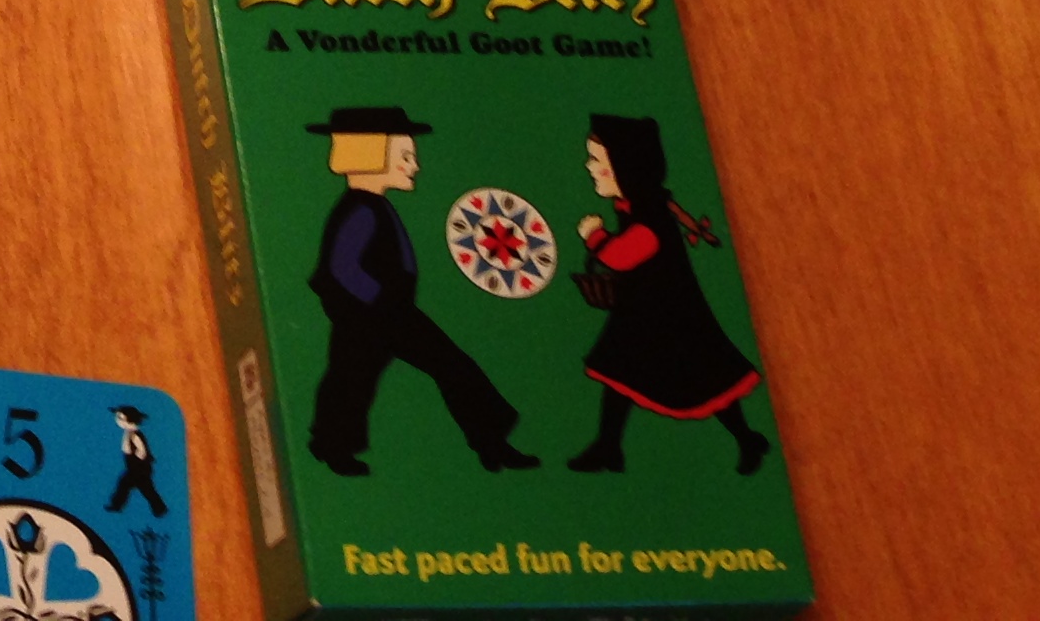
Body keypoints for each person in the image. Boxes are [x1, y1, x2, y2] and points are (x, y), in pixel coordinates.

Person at [301, 107, 540, 475]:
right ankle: (333, 447)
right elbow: (342, 268)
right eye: (405, 157)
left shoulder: (373, 205)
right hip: (376, 316)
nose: (415, 166)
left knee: (363, 376)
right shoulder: (361, 209)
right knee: (360, 378)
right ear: (371, 155)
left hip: (386, 312)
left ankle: (491, 443)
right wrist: (380, 303)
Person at [566, 113, 771, 476]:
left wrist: (595, 236)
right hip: (641, 312)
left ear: (626, 167)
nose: (589, 167)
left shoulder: (650, 215)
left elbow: (624, 255)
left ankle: (746, 438)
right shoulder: (638, 205)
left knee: (704, 379)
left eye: (597, 160)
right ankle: (609, 446)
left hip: (671, 317)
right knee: (618, 370)